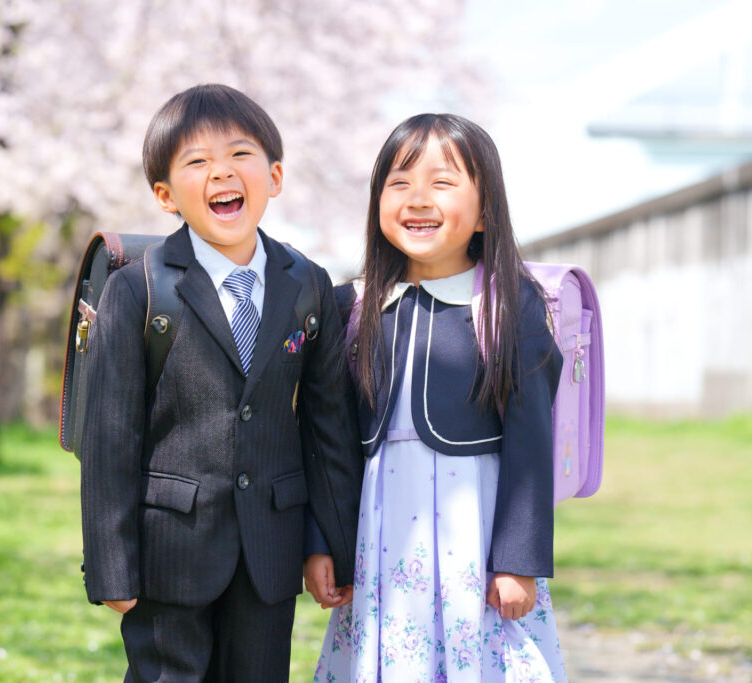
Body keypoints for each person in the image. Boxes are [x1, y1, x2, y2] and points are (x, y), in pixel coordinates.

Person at [78, 83, 362, 682]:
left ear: (275, 176)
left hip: (270, 549)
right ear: (165, 195)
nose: (221, 174)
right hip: (168, 553)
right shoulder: (139, 288)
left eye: (239, 155)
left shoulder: (307, 283)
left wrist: (328, 543)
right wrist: (111, 565)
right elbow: (110, 438)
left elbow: (328, 425)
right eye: (196, 162)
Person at [312, 113, 569, 682]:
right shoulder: (351, 309)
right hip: (380, 537)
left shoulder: (509, 304)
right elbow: (328, 442)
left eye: (443, 182)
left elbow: (531, 440)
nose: (418, 199)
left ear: (484, 214)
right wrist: (321, 543)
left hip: (472, 534)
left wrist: (518, 562)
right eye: (399, 183)